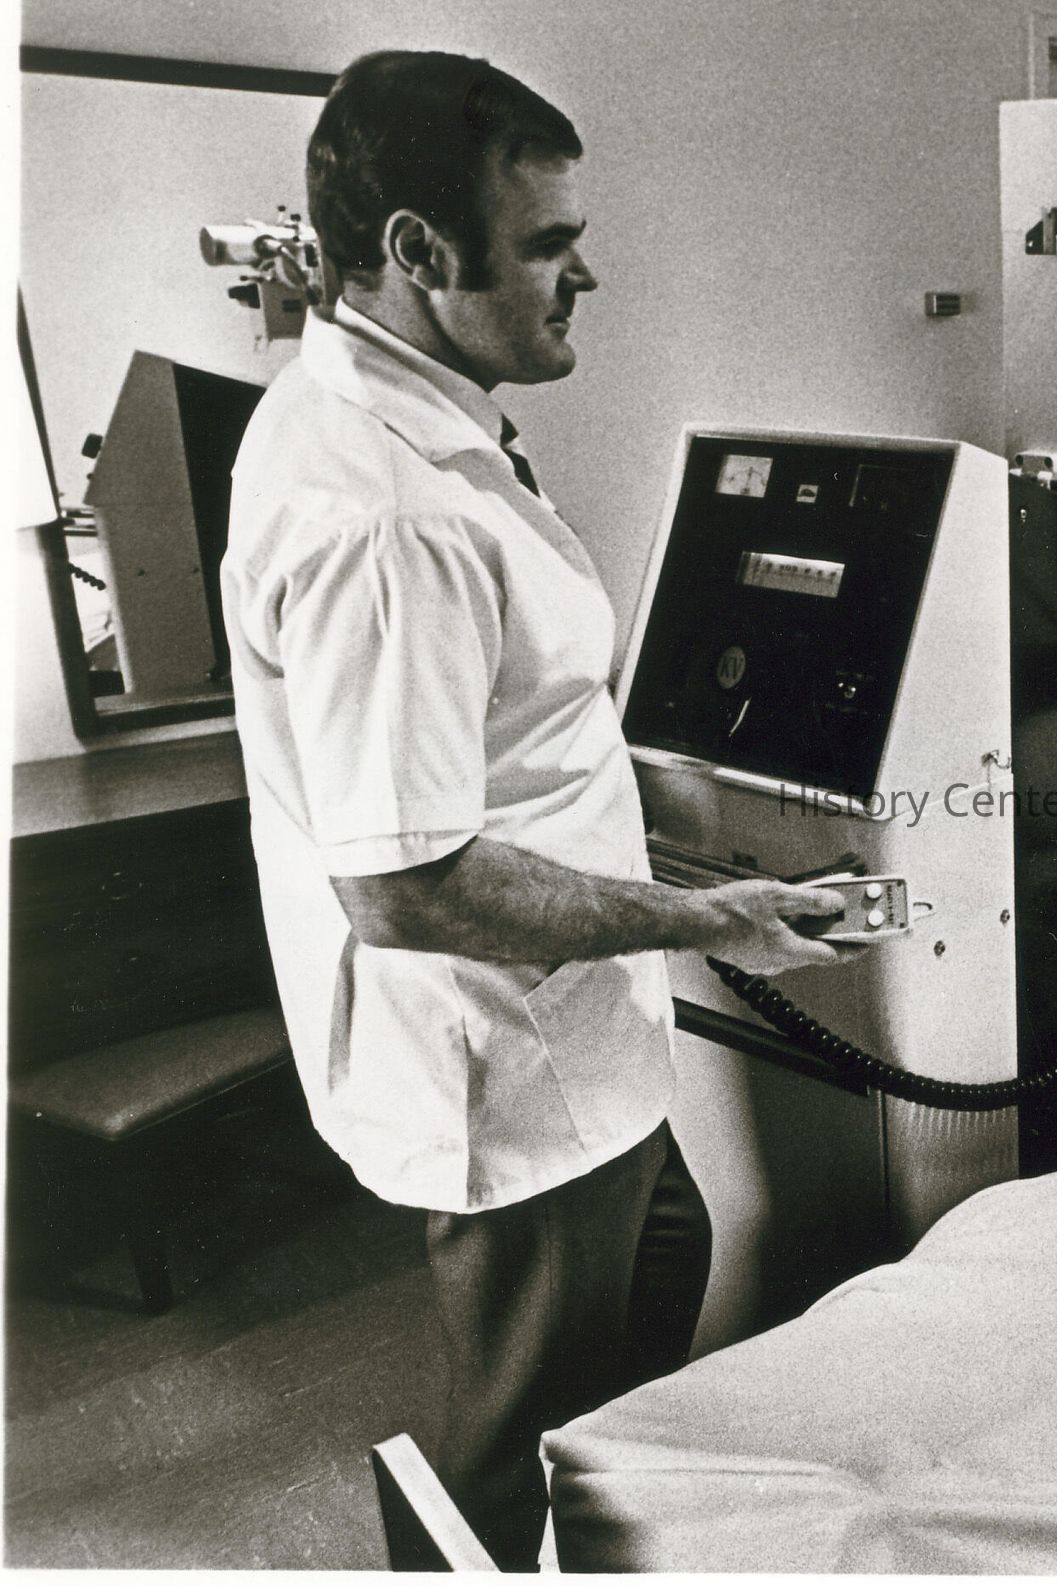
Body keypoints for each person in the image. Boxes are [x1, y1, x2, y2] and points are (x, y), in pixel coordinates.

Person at [221, 50, 845, 1568]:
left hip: (574, 1032)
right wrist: (713, 913)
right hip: (508, 1066)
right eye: (551, 244)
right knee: (522, 1441)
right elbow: (409, 882)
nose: (587, 276)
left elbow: (501, 730)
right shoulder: (391, 515)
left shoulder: (388, 415)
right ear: (420, 252)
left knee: (667, 1266)